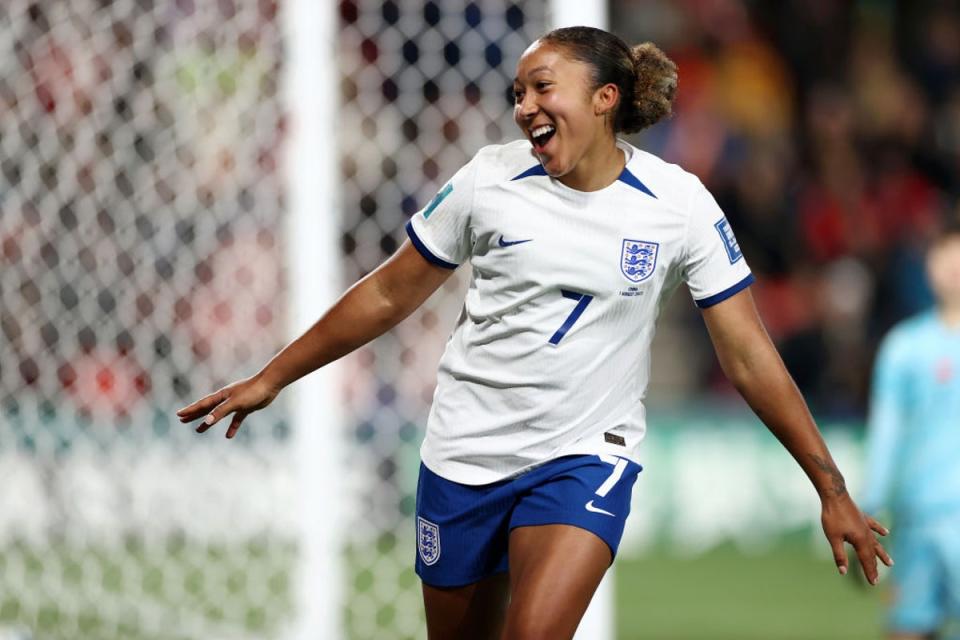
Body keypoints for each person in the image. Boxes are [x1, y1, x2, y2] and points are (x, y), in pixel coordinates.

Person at [178, 26, 892, 639]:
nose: (525, 108)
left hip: (585, 456)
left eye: (541, 87)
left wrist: (829, 487)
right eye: (518, 94)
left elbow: (747, 356)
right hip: (464, 454)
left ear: (603, 98)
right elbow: (390, 292)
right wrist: (273, 375)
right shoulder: (489, 182)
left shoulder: (679, 205)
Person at [862, 217, 960, 640]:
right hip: (920, 515)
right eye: (945, 255)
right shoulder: (904, 346)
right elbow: (885, 433)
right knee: (907, 628)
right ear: (928, 265)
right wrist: (867, 508)